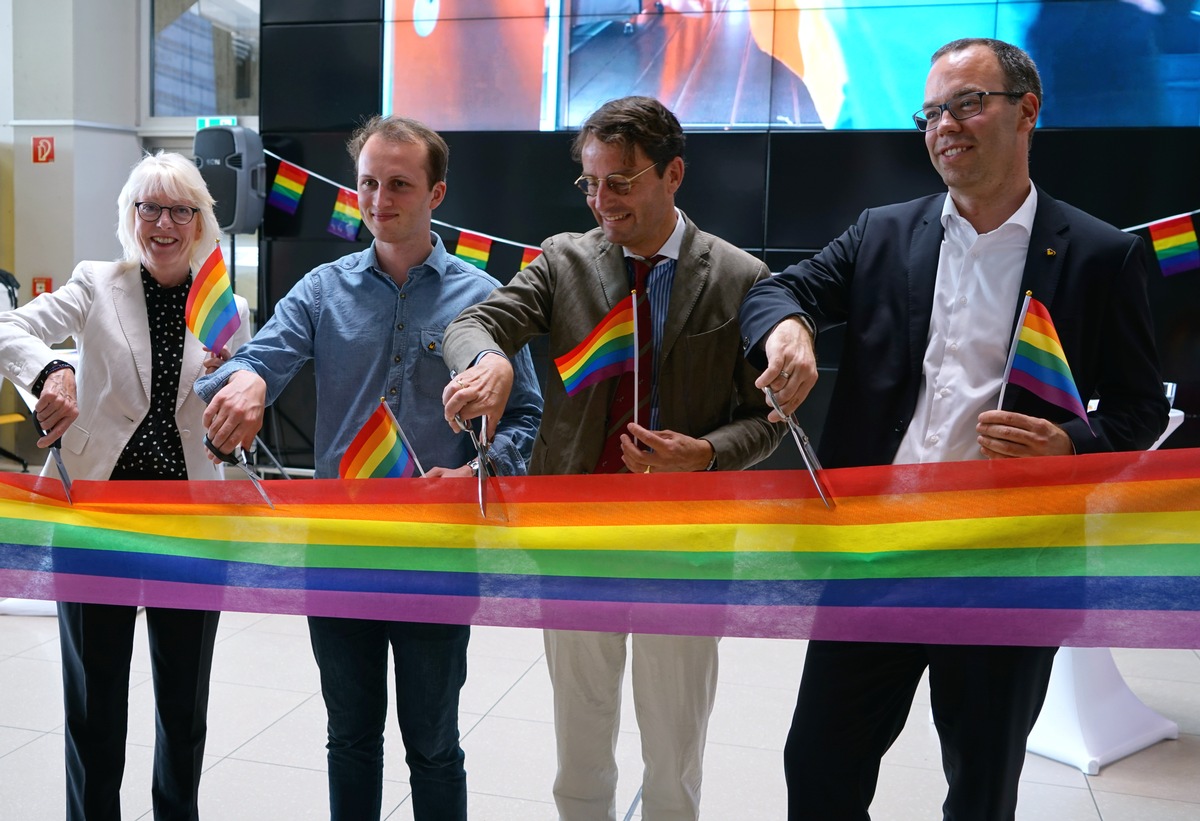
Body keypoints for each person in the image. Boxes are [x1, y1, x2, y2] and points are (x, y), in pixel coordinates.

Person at [738, 38, 1170, 820]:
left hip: (1008, 569)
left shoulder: (1102, 255)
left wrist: (1071, 443)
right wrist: (791, 331)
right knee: (819, 764)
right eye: (933, 110)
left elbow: (1139, 410)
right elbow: (780, 290)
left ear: (1027, 111)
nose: (946, 124)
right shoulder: (881, 233)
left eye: (969, 103)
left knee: (980, 788)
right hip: (876, 554)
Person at [441, 95, 782, 821]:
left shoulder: (739, 277)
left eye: (621, 182)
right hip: (575, 539)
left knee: (673, 751)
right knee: (581, 742)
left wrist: (709, 453)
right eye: (590, 183)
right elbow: (474, 323)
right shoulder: (561, 262)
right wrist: (489, 362)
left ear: (674, 173)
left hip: (684, 547)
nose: (603, 201)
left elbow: (771, 417)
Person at [195, 114, 542, 821]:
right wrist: (250, 382)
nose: (379, 200)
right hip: (339, 552)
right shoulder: (323, 289)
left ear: (436, 193)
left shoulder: (481, 298)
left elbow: (527, 415)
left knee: (434, 744)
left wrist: (480, 476)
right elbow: (260, 359)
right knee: (350, 738)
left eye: (399, 185)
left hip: (437, 553)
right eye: (367, 184)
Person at [0, 151, 252, 820]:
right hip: (97, 522)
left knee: (183, 707)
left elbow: (237, 425)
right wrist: (51, 369)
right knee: (93, 705)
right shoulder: (96, 282)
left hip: (191, 523)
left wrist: (232, 407)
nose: (163, 223)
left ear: (200, 221)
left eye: (180, 209)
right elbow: (8, 326)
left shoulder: (228, 307)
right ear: (130, 216)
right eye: (149, 207)